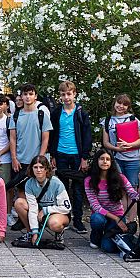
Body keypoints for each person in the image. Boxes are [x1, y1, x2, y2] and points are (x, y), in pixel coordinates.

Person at [48, 81, 92, 234]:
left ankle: (78, 220)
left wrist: (84, 157)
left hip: (77, 155)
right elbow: (52, 134)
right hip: (61, 154)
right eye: (63, 95)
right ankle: (65, 217)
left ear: (74, 94)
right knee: (63, 189)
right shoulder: (56, 113)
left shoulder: (81, 113)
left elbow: (87, 136)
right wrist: (52, 154)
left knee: (78, 189)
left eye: (69, 94)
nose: (66, 97)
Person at [101, 93, 140, 220]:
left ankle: (132, 221)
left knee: (132, 190)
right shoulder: (107, 120)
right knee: (120, 189)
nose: (121, 106)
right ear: (114, 103)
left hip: (133, 159)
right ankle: (123, 219)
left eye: (125, 104)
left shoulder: (133, 119)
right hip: (116, 159)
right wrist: (117, 149)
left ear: (128, 107)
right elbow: (105, 142)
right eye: (119, 103)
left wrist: (129, 144)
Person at [85, 148, 139, 252]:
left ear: (111, 162)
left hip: (118, 214)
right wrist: (116, 219)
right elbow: (95, 206)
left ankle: (107, 235)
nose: (105, 161)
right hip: (102, 215)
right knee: (97, 219)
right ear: (97, 161)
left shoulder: (120, 178)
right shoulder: (89, 181)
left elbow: (133, 195)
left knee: (108, 248)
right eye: (102, 159)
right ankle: (96, 236)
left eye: (108, 159)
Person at [13, 156, 71, 246]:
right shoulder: (29, 183)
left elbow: (66, 208)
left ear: (46, 169)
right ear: (31, 169)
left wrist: (46, 210)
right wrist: (35, 231)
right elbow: (32, 208)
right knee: (19, 203)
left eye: (41, 167)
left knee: (55, 223)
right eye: (35, 167)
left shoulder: (56, 183)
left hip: (57, 213)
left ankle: (59, 233)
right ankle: (31, 232)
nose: (38, 170)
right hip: (39, 211)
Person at [9, 83, 52, 188]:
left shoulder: (42, 115)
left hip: (37, 162)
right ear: (21, 96)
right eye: (25, 94)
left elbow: (45, 139)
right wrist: (14, 158)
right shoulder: (16, 115)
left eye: (30, 94)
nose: (28, 97)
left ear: (35, 96)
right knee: (21, 191)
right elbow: (12, 138)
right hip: (20, 161)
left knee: (38, 191)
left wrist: (40, 159)